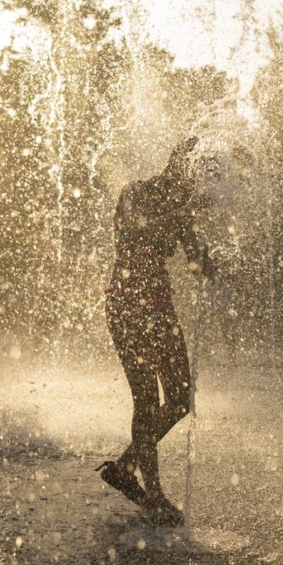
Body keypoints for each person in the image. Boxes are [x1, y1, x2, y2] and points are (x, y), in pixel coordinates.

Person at [96, 137, 215, 524]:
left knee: (180, 398)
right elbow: (137, 230)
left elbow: (196, 262)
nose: (197, 187)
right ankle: (154, 495)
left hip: (160, 308)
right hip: (127, 307)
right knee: (146, 400)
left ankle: (125, 467)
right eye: (195, 178)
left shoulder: (182, 210)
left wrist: (209, 259)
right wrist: (186, 212)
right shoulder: (136, 192)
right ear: (178, 170)